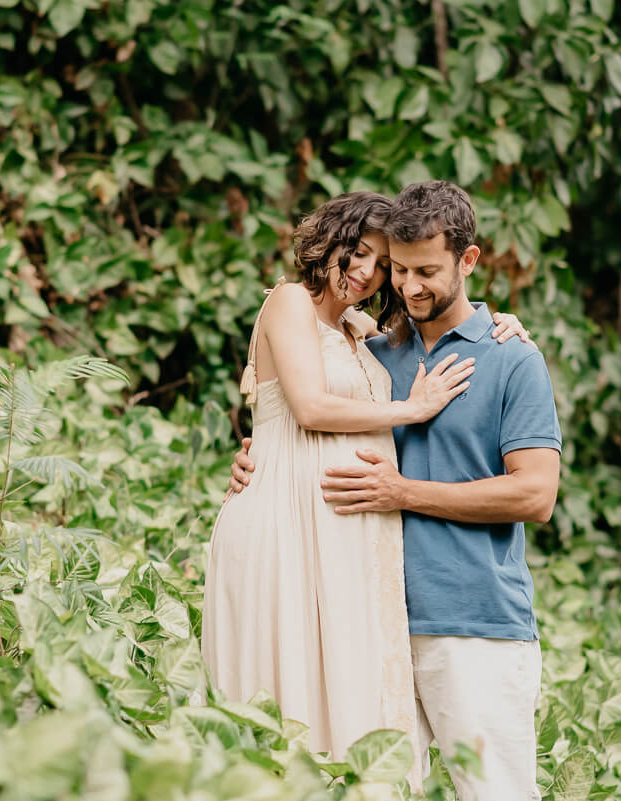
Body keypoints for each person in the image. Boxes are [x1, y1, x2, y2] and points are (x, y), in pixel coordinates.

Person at [227, 181, 561, 801]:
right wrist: (260, 456)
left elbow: (535, 497)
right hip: (364, 616)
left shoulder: (512, 357)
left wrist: (402, 491)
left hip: (472, 623)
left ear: (468, 260)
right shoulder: (375, 354)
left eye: (425, 271)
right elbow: (307, 402)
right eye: (397, 269)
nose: (407, 287)